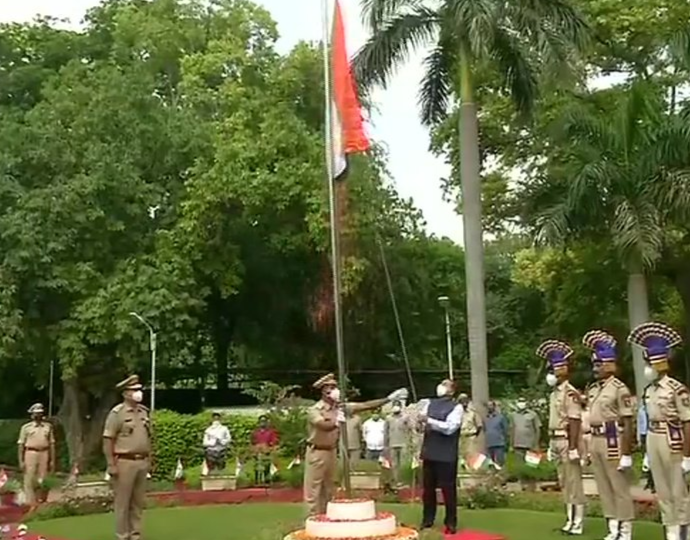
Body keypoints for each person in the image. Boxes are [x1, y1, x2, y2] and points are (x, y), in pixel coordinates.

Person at [303, 373, 408, 516]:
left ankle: (324, 519)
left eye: (335, 387)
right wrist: (336, 422)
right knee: (314, 489)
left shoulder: (341, 408)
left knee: (329, 488)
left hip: (332, 451)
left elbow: (365, 405)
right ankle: (311, 519)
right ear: (324, 391)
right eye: (331, 387)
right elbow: (322, 425)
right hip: (317, 451)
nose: (335, 390)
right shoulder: (315, 409)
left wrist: (389, 399)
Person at [628, 321, 690, 540]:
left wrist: (687, 455)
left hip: (671, 438)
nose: (647, 367)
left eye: (649, 362)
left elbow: (687, 421)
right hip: (654, 438)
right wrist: (646, 449)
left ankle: (683, 533)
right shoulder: (649, 390)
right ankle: (670, 532)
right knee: (662, 490)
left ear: (659, 363)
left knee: (678, 491)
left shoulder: (676, 389)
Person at [582, 330, 635, 540]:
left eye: (599, 364)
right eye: (594, 364)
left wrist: (627, 452)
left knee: (618, 486)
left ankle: (625, 530)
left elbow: (628, 421)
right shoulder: (594, 389)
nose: (595, 369)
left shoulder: (619, 389)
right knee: (603, 486)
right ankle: (612, 527)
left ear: (610, 364)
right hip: (595, 439)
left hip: (613, 437)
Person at [538, 339, 586, 536]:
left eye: (555, 368)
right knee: (564, 481)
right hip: (555, 439)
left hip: (567, 440)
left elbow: (574, 421)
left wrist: (574, 447)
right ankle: (569, 518)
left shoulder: (570, 392)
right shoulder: (554, 393)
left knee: (573, 482)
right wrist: (550, 444)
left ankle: (578, 521)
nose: (551, 373)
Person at [103, 375, 151, 540]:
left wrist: (150, 460)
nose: (138, 393)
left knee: (137, 503)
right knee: (123, 502)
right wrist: (111, 464)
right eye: (134, 390)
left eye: (139, 389)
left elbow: (149, 437)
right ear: (125, 393)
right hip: (124, 461)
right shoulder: (117, 413)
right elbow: (108, 439)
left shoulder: (144, 412)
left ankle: (136, 535)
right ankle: (123, 536)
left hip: (141, 461)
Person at [418, 378, 463, 534]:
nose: (441, 387)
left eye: (445, 385)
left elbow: (450, 428)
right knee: (428, 490)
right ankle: (427, 520)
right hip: (430, 452)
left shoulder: (456, 407)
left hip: (446, 454)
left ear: (452, 390)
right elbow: (422, 423)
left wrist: (429, 421)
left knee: (448, 490)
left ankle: (451, 523)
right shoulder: (430, 404)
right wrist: (419, 423)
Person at [17, 403, 55, 505]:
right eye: (36, 414)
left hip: (44, 452)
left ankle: (42, 500)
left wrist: (52, 460)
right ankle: (30, 502)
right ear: (32, 415)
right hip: (30, 452)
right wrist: (21, 460)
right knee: (29, 477)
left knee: (43, 478)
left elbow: (52, 443)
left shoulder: (48, 427)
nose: (38, 416)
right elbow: (21, 444)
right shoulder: (26, 427)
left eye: (40, 413)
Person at [385, 401, 409, 486]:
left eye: (398, 405)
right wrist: (385, 444)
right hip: (392, 443)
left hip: (403, 443)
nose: (396, 407)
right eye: (395, 405)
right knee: (394, 464)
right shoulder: (388, 418)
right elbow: (386, 432)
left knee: (403, 463)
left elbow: (409, 429)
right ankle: (396, 480)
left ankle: (403, 480)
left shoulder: (405, 417)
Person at [252, 415, 279, 484]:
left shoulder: (271, 432)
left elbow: (274, 441)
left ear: (267, 422)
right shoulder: (255, 432)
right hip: (257, 452)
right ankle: (257, 481)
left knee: (266, 466)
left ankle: (267, 481)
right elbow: (253, 441)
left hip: (267, 451)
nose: (262, 423)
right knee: (256, 467)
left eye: (264, 421)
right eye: (261, 421)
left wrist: (270, 447)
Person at [637, 391, 655, 492]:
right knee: (646, 459)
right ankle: (649, 481)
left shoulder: (652, 410)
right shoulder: (641, 410)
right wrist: (639, 438)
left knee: (653, 459)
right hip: (644, 435)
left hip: (652, 433)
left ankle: (653, 483)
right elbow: (640, 425)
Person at [458, 393, 483, 463]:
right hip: (460, 436)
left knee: (471, 454)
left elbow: (479, 424)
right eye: (462, 400)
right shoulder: (456, 412)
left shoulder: (472, 412)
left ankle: (471, 470)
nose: (464, 402)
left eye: (465, 400)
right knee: (460, 454)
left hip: (470, 436)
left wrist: (475, 434)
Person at [484, 401, 508, 467]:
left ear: (494, 406)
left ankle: (501, 474)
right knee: (491, 463)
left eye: (491, 405)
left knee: (500, 462)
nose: (489, 407)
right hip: (489, 443)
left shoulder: (501, 417)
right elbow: (484, 429)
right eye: (488, 406)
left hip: (499, 443)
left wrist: (506, 441)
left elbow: (505, 429)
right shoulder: (485, 418)